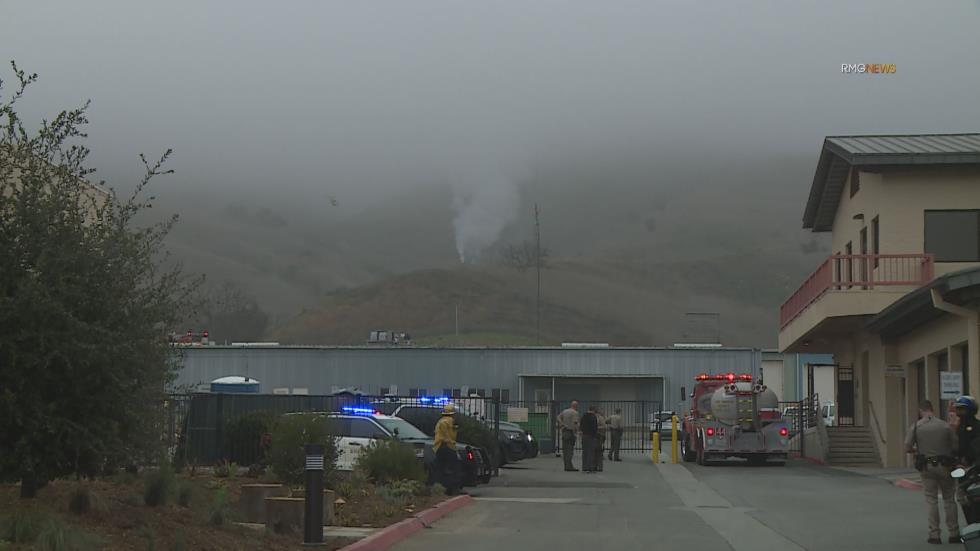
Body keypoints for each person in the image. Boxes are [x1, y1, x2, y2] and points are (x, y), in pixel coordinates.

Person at [905, 400, 959, 545]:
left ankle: (934, 534)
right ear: (932, 409)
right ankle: (954, 533)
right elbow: (955, 445)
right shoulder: (944, 425)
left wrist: (917, 451)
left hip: (926, 466)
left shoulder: (916, 426)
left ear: (920, 410)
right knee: (949, 499)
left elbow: (907, 447)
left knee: (931, 499)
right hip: (945, 465)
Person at [433, 403, 464, 495]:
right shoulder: (450, 422)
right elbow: (449, 436)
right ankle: (453, 488)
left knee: (441, 468)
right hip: (448, 446)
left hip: (440, 447)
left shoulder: (441, 422)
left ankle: (443, 488)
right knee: (454, 468)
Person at [558, 401, 580, 472]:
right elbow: (574, 423)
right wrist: (575, 433)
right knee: (570, 450)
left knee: (565, 450)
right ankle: (569, 466)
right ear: (576, 406)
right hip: (570, 432)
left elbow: (558, 417)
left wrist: (562, 423)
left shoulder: (565, 411)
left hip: (564, 431)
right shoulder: (575, 413)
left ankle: (566, 465)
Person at [580, 405, 599, 473]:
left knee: (585, 451)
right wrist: (595, 435)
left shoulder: (583, 416)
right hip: (591, 436)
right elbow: (594, 428)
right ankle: (590, 467)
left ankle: (584, 467)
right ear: (593, 410)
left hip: (584, 435)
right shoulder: (593, 417)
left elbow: (581, 426)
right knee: (591, 452)